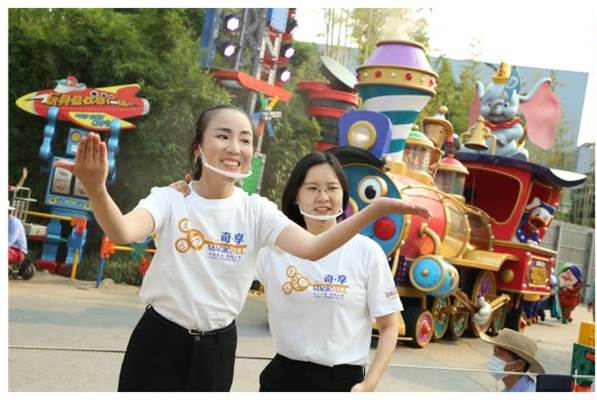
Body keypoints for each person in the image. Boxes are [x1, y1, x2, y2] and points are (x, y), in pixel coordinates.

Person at [54, 105, 429, 391]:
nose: (235, 147)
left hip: (217, 347)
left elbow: (314, 248)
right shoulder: (169, 199)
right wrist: (96, 189)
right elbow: (122, 231)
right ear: (199, 147)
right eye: (223, 136)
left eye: (246, 139)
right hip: (160, 338)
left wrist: (373, 210)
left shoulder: (257, 211)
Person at [171, 151, 404, 391]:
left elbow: (389, 325)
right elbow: (212, 253)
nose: (323, 197)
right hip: (283, 377)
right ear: (295, 196)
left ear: (343, 193)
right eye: (312, 188)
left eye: (332, 188)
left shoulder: (367, 252)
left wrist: (368, 385)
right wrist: (188, 199)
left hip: (342, 382)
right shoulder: (273, 248)